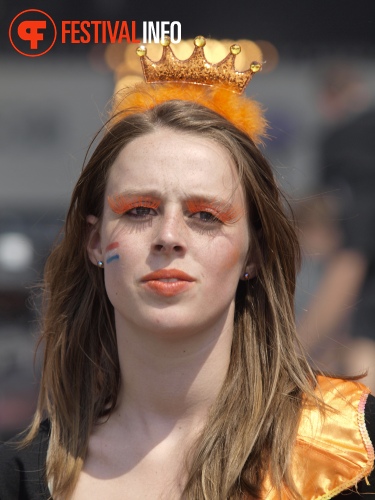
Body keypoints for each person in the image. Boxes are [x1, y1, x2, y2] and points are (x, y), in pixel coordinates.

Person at [0, 36, 374, 500]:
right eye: (139, 210)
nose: (169, 236)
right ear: (94, 241)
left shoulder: (353, 449)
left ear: (254, 253)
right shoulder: (20, 478)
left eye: (205, 216)